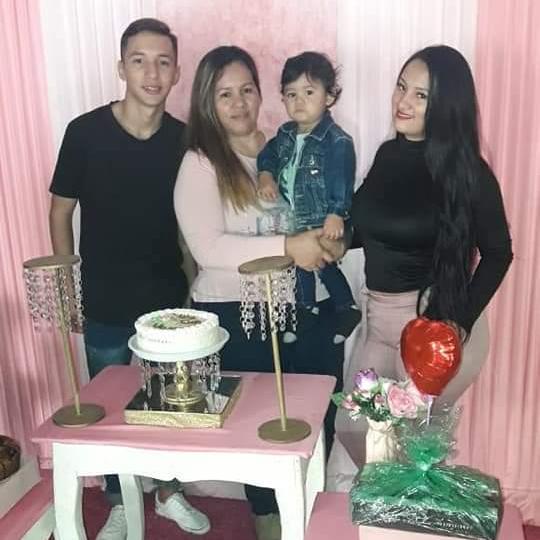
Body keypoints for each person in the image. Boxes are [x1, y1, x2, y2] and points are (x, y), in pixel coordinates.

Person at [48, 18, 210, 539]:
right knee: (110, 407)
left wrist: (194, 293)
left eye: (163, 62)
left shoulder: (185, 141)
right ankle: (121, 501)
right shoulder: (84, 133)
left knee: (172, 404)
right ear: (121, 68)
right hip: (104, 298)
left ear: (177, 72)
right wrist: (68, 287)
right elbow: (61, 211)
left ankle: (167, 493)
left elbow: (190, 225)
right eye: (140, 61)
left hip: (168, 299)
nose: (152, 73)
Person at [174, 45, 344, 540]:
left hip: (304, 305)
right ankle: (269, 520)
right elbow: (207, 249)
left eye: (246, 89)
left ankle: (311, 514)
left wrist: (334, 239)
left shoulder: (283, 147)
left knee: (318, 414)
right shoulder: (201, 163)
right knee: (260, 426)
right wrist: (290, 247)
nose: (239, 103)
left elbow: (319, 212)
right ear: (207, 103)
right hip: (238, 312)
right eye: (224, 94)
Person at [327, 45, 513, 491]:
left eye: (421, 95)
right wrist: (333, 241)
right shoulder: (388, 155)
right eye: (401, 87)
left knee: (409, 450)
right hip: (379, 319)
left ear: (445, 105)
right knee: (353, 428)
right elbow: (371, 230)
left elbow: (499, 252)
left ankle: (405, 521)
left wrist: (456, 323)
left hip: (435, 322)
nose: (403, 101)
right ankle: (378, 514)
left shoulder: (468, 171)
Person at [257, 51, 361, 344]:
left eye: (309, 92)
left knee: (324, 263)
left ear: (329, 96)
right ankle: (306, 308)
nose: (299, 101)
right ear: (282, 98)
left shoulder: (336, 140)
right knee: (299, 263)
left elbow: (342, 177)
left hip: (321, 217)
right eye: (291, 94)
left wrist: (336, 212)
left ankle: (347, 307)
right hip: (291, 217)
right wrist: (265, 174)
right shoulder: (285, 134)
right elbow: (268, 154)